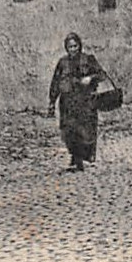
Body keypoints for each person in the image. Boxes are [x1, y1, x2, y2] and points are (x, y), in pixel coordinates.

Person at [48, 32, 105, 172]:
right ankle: (75, 158)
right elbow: (55, 82)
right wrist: (51, 101)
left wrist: (90, 78)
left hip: (84, 102)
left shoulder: (88, 59)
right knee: (69, 131)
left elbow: (101, 74)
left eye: (75, 46)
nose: (73, 49)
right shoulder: (62, 62)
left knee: (84, 131)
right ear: (66, 48)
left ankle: (80, 159)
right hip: (67, 103)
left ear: (79, 46)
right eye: (70, 47)